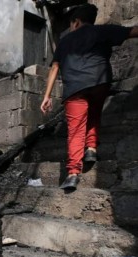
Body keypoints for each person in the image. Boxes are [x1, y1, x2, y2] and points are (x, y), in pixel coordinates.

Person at [40, 3, 138, 190]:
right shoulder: (103, 31)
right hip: (100, 82)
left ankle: (72, 174)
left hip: (75, 88)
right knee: (94, 114)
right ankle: (91, 149)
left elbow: (54, 68)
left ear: (75, 22)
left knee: (76, 129)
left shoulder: (65, 41)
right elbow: (133, 31)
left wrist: (47, 96)